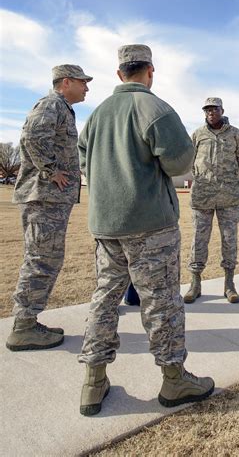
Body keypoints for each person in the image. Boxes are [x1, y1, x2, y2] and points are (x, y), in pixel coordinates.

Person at [77, 44, 214, 416]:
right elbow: (179, 163)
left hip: (106, 226)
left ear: (120, 73)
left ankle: (93, 381)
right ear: (149, 71)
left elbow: (84, 161)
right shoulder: (154, 108)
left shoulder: (97, 114)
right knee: (162, 302)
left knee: (104, 299)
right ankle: (174, 379)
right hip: (151, 225)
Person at [6, 64, 93, 351]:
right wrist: (51, 170)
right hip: (44, 196)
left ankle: (28, 322)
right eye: (82, 83)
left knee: (46, 258)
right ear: (66, 82)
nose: (86, 88)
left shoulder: (61, 107)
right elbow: (32, 136)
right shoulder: (50, 104)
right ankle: (24, 327)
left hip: (51, 199)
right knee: (41, 259)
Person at [184, 97, 239, 305]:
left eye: (215, 109)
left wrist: (227, 178)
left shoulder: (235, 133)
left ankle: (229, 284)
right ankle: (195, 283)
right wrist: (203, 178)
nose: (211, 112)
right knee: (198, 240)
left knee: (229, 240)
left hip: (228, 196)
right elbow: (190, 159)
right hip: (202, 196)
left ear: (222, 110)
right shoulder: (197, 134)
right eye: (207, 110)